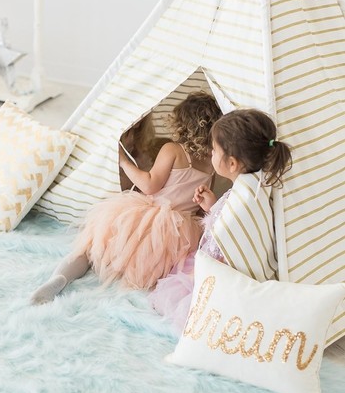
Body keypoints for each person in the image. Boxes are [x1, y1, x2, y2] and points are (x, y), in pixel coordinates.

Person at [31, 91, 222, 304]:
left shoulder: (172, 149)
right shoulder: (211, 164)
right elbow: (199, 206)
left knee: (92, 248)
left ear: (181, 124)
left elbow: (149, 185)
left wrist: (124, 162)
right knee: (145, 263)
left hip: (149, 218)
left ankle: (61, 276)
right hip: (179, 233)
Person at [150, 108, 293, 332]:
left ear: (232, 163)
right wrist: (212, 206)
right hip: (217, 260)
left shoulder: (241, 202)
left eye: (215, 150)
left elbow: (224, 242)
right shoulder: (249, 187)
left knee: (177, 290)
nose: (211, 154)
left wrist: (196, 274)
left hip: (218, 274)